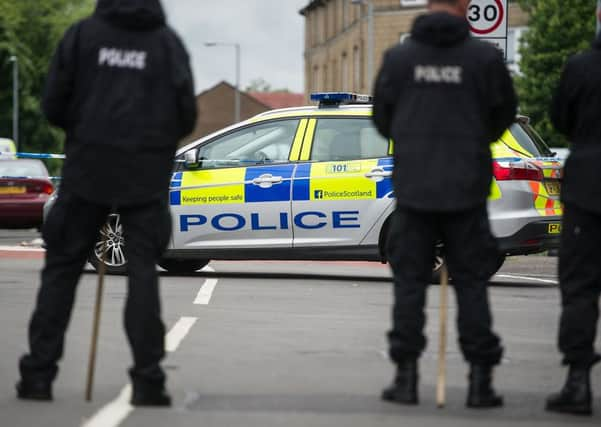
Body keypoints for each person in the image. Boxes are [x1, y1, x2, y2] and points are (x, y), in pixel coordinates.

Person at [16, 0, 197, 407]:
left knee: (61, 272)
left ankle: (38, 376)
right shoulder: (166, 44)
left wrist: (87, 130)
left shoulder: (82, 37)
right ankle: (149, 380)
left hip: (86, 170)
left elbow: (53, 104)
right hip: (145, 177)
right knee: (142, 275)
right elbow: (186, 114)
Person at [372, 0, 517, 408]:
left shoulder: (399, 59)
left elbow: (382, 118)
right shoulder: (484, 59)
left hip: (415, 188)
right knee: (471, 285)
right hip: (466, 190)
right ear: (466, 6)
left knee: (409, 284)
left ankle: (405, 377)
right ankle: (480, 381)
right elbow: (504, 114)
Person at [546, 11, 601, 416]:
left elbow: (561, 118)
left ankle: (578, 380)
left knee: (580, 286)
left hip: (589, 189)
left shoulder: (581, 67)